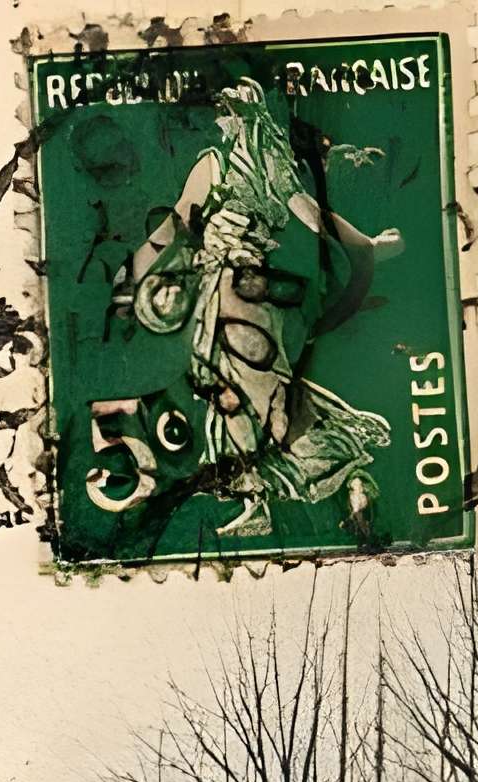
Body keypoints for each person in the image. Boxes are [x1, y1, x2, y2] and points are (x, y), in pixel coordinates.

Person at [116, 79, 403, 541]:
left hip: (245, 296)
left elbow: (313, 215)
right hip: (214, 295)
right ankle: (264, 499)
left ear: (244, 113)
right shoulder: (217, 163)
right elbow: (177, 220)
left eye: (229, 110)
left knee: (258, 397)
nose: (224, 119)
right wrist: (135, 268)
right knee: (232, 395)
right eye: (222, 111)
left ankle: (335, 469)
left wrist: (363, 246)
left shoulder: (269, 164)